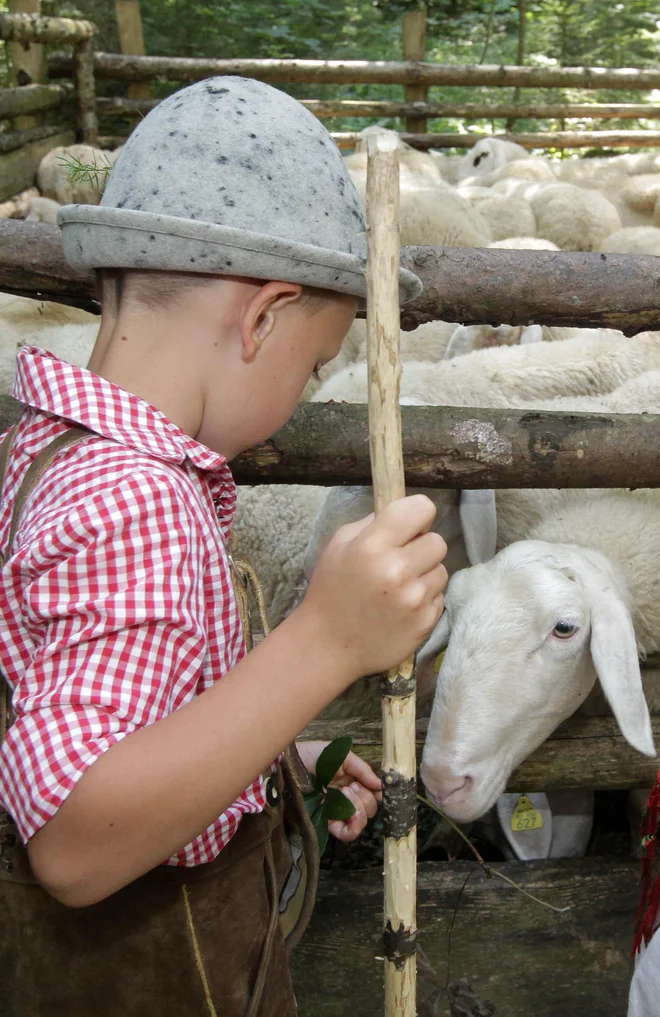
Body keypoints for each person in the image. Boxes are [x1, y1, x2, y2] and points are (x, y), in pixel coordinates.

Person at [0, 77, 448, 1016]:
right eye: (316, 363)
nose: (310, 387)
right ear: (262, 318)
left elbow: (93, 686)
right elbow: (75, 840)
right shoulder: (137, 499)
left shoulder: (51, 447)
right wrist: (322, 643)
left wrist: (269, 749)